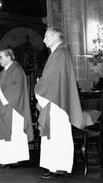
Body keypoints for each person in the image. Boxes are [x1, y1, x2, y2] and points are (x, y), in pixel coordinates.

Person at [35, 27, 84, 178]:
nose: (44, 40)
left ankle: (59, 167)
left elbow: (51, 78)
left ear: (56, 36)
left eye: (46, 36)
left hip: (57, 101)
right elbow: (52, 77)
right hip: (55, 99)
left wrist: (38, 85)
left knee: (58, 133)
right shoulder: (58, 53)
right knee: (55, 133)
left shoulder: (60, 53)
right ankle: (55, 166)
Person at [0, 48, 34, 166]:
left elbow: (16, 88)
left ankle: (14, 159)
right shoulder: (2, 72)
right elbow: (0, 87)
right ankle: (5, 158)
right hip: (3, 108)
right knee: (4, 132)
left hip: (14, 108)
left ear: (9, 57)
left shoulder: (17, 70)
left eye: (1, 57)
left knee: (14, 132)